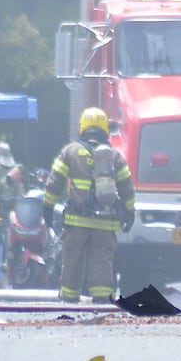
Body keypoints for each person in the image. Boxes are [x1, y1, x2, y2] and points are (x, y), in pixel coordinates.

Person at [44, 107, 136, 304]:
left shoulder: (70, 151)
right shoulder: (114, 156)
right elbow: (127, 187)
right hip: (105, 222)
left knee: (72, 261)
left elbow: (54, 183)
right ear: (105, 129)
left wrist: (48, 208)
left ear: (82, 127)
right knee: (102, 261)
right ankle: (102, 298)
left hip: (77, 222)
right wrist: (129, 212)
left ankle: (69, 299)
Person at [0, 142, 25, 284]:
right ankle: (6, 269)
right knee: (8, 236)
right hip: (12, 209)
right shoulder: (17, 169)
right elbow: (21, 190)